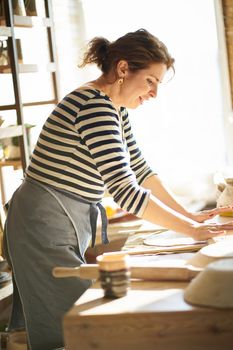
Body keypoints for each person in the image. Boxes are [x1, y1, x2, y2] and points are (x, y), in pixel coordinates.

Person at [3, 28, 233, 350]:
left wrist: (191, 217)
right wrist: (192, 231)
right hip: (41, 223)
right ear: (123, 69)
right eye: (150, 81)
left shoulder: (115, 108)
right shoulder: (94, 107)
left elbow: (140, 171)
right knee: (71, 329)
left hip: (56, 219)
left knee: (69, 324)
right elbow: (125, 191)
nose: (154, 94)